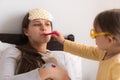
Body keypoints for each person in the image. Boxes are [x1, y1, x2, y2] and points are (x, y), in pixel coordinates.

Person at [0, 8, 76, 80]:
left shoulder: (63, 57)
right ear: (26, 31)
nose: (44, 28)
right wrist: (44, 73)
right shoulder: (13, 52)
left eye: (47, 24)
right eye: (37, 24)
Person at [53, 9, 120, 80]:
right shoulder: (104, 52)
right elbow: (84, 50)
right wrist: (63, 41)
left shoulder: (117, 64)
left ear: (110, 40)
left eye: (95, 34)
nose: (94, 37)